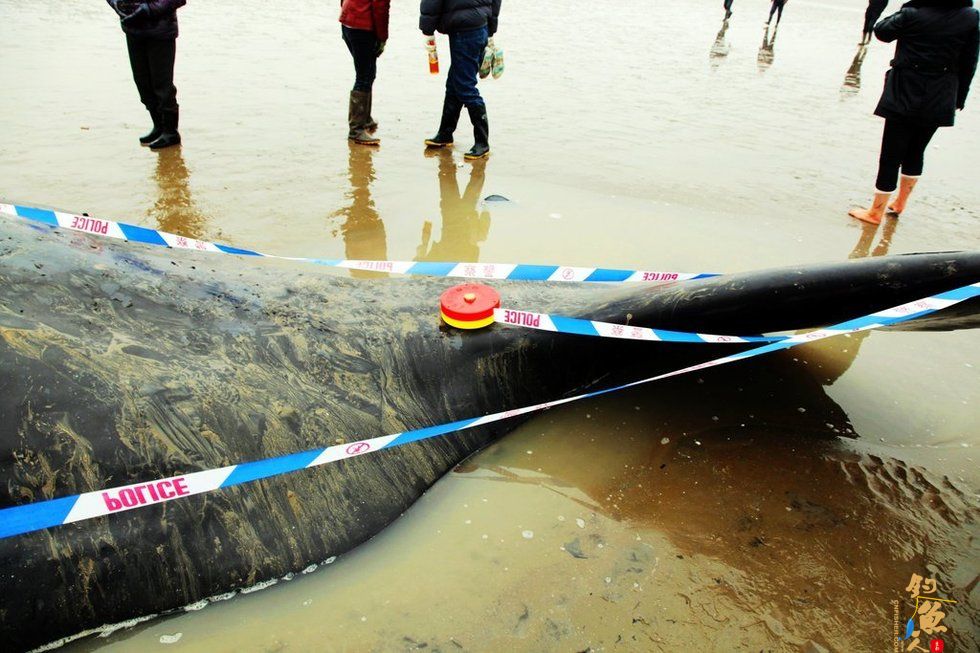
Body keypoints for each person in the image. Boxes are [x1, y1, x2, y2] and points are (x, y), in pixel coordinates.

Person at [849, 0, 979, 225]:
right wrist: (960, 97)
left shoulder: (912, 13)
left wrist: (911, 5)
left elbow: (881, 31)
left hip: (905, 88)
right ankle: (900, 203)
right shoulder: (970, 16)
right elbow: (970, 61)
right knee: (916, 151)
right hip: (942, 92)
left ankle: (875, 212)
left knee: (890, 154)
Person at [420, 0, 502, 160]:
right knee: (455, 82)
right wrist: (491, 29)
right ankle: (445, 134)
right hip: (480, 25)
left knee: (465, 86)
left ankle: (482, 143)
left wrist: (427, 29)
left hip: (464, 28)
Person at [107, 0, 186, 150]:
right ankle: (158, 126)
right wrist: (119, 6)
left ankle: (170, 133)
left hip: (161, 31)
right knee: (142, 83)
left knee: (162, 84)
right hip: (132, 29)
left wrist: (147, 10)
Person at [339, 0, 390, 146]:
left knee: (367, 73)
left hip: (348, 23)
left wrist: (345, 13)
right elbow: (381, 8)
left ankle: (365, 119)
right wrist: (382, 38)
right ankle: (356, 130)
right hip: (362, 28)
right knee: (364, 76)